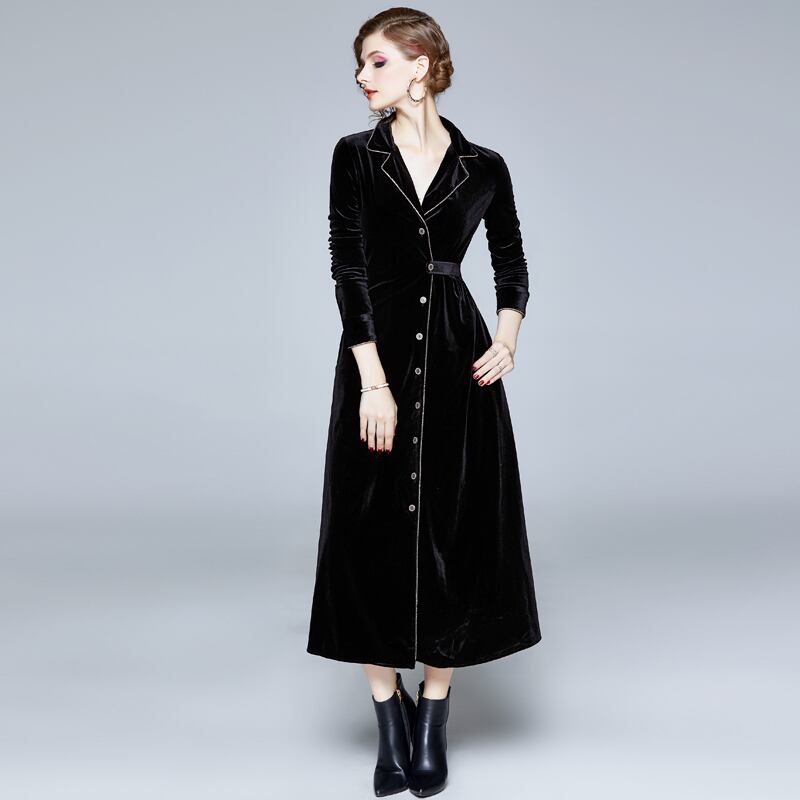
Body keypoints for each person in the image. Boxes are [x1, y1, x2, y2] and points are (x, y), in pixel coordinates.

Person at [306, 8, 542, 797]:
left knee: (455, 525)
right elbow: (348, 268)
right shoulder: (355, 156)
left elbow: (511, 262)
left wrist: (507, 337)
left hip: (456, 361)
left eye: (375, 61)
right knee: (363, 529)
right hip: (377, 361)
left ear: (420, 64)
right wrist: (371, 382)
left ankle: (434, 708)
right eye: (358, 64)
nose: (361, 77)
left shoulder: (483, 165)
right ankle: (388, 712)